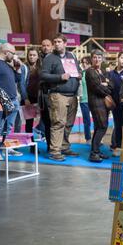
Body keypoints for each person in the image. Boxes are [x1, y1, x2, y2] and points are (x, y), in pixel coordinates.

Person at [41, 33, 81, 162]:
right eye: (55, 41)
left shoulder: (72, 56)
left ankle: (64, 146)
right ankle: (55, 150)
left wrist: (79, 74)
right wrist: (59, 77)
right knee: (58, 123)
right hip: (58, 95)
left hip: (72, 95)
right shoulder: (49, 58)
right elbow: (43, 75)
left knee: (69, 123)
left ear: (65, 43)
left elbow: (78, 70)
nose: (57, 44)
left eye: (59, 41)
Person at [0, 43, 23, 156]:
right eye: (13, 53)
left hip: (12, 100)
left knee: (8, 127)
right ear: (7, 53)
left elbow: (18, 79)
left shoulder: (7, 64)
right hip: (2, 101)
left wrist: (18, 68)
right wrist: (0, 100)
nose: (14, 56)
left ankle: (4, 147)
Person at [85, 49, 112, 162]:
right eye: (95, 57)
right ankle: (93, 153)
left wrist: (107, 84)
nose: (97, 59)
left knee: (98, 127)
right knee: (102, 127)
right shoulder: (90, 71)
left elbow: (110, 84)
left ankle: (96, 150)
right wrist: (106, 86)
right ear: (91, 59)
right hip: (96, 103)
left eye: (99, 57)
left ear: (102, 59)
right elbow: (98, 88)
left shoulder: (101, 71)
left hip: (102, 103)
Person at [108, 52, 123, 157]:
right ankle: (117, 147)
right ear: (118, 58)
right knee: (117, 126)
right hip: (115, 104)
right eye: (122, 57)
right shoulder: (111, 73)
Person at [37, 39, 54, 150]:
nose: (45, 47)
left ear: (51, 46)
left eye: (48, 45)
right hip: (42, 95)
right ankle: (49, 145)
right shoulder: (39, 60)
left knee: (55, 122)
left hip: (53, 93)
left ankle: (56, 145)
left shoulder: (55, 58)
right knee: (46, 122)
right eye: (43, 45)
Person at [23, 48, 42, 138]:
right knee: (29, 122)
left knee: (44, 119)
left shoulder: (41, 67)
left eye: (34, 55)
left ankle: (43, 135)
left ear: (38, 56)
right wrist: (25, 98)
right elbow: (21, 84)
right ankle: (30, 143)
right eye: (30, 55)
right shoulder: (24, 67)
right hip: (29, 97)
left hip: (40, 97)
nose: (32, 57)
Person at [79, 56, 92, 145]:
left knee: (98, 120)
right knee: (86, 120)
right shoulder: (81, 74)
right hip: (84, 100)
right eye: (83, 62)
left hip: (94, 100)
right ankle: (88, 138)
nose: (84, 64)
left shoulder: (94, 73)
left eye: (86, 62)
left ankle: (97, 139)